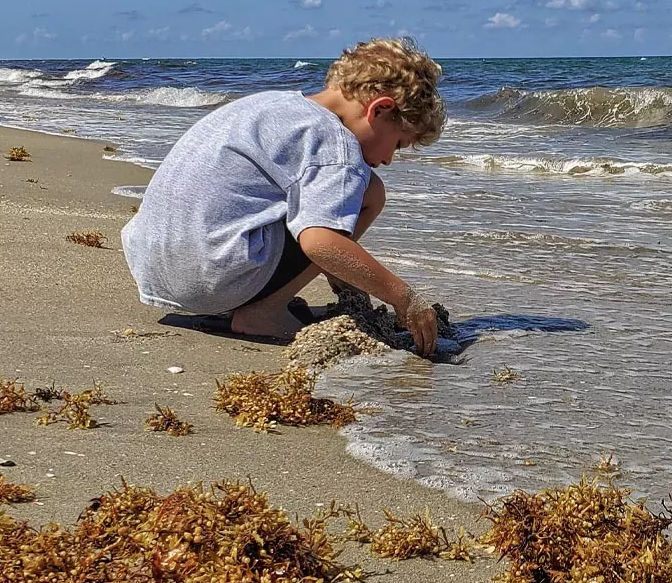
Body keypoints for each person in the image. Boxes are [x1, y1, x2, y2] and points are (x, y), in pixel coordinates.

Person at [121, 38, 443, 356]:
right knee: (370, 195)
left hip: (153, 267)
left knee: (352, 192)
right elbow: (322, 242)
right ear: (380, 109)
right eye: (399, 144)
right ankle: (264, 314)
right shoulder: (336, 145)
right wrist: (403, 297)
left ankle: (273, 296)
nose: (389, 159)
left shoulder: (272, 104)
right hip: (209, 278)